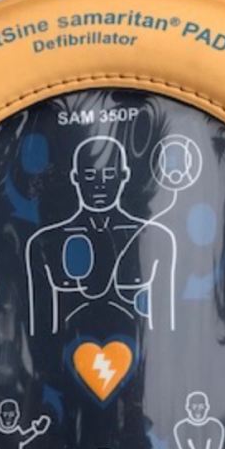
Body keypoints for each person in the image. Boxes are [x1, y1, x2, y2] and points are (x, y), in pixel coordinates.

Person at [25, 136, 176, 335]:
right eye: (89, 175)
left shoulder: (155, 237)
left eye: (109, 174)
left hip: (138, 349)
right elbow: (39, 327)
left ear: (123, 175)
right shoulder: (46, 241)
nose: (99, 183)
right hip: (68, 348)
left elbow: (165, 328)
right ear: (75, 177)